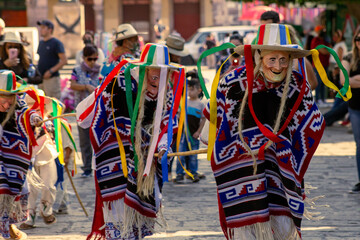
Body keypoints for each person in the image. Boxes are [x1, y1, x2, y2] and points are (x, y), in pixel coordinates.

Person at [202, 24, 349, 239]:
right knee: (248, 231)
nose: (278, 66)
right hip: (243, 169)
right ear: (259, 56)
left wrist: (286, 148)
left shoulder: (298, 86)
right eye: (272, 59)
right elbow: (216, 116)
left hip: (281, 169)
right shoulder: (232, 82)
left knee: (281, 226)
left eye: (284, 59)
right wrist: (216, 142)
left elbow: (313, 123)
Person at [76, 43, 185, 239]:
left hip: (144, 167)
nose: (158, 78)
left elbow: (167, 123)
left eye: (164, 73)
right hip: (115, 162)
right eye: (154, 72)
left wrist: (161, 146)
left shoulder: (165, 91)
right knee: (118, 219)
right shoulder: (118, 84)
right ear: (143, 69)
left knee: (136, 222)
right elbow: (93, 118)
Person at [0, 70, 43, 240]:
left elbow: (28, 113)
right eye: (3, 96)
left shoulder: (18, 106)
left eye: (11, 96)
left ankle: (9, 226)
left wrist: (35, 118)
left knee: (10, 192)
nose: (8, 101)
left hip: (10, 158)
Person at [20, 90, 59, 229]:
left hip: (47, 155)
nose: (34, 110)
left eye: (37, 106)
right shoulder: (21, 119)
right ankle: (29, 216)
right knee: (29, 189)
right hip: (28, 158)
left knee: (49, 185)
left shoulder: (49, 120)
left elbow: (58, 105)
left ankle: (46, 209)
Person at [70, 45, 100, 177]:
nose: (93, 62)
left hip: (97, 110)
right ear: (83, 58)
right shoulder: (77, 70)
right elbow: (72, 85)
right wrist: (86, 87)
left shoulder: (100, 71)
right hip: (82, 110)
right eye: (90, 59)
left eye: (95, 59)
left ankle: (99, 166)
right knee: (84, 140)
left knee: (99, 139)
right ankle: (87, 167)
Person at [174, 71, 205, 183]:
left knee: (193, 155)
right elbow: (177, 115)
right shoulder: (184, 103)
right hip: (182, 134)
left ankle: (193, 173)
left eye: (192, 89)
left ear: (199, 90)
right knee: (180, 155)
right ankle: (179, 174)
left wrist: (198, 131)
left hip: (194, 134)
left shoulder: (201, 105)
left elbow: (203, 119)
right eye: (188, 89)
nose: (190, 92)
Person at [340, 29, 360, 193]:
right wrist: (351, 80)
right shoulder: (349, 57)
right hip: (355, 107)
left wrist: (356, 80)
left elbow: (351, 80)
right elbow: (344, 81)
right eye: (358, 39)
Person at [37, 19, 67, 100]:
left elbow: (64, 61)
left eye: (43, 27)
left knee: (53, 105)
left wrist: (51, 71)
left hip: (52, 79)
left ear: (50, 30)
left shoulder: (56, 43)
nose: (41, 29)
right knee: (41, 104)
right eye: (40, 27)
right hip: (41, 79)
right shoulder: (41, 43)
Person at [311, 25, 330, 106]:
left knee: (324, 83)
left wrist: (328, 49)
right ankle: (318, 100)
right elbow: (325, 51)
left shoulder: (325, 41)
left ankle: (323, 99)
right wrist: (328, 49)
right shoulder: (316, 40)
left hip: (325, 65)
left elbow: (328, 50)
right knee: (319, 82)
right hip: (318, 65)